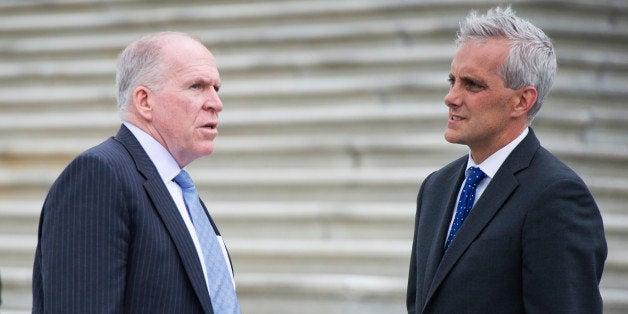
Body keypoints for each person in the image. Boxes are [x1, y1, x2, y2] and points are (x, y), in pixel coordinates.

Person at [406, 7, 607, 314]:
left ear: (522, 100)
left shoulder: (557, 197)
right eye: (452, 81)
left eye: (472, 84)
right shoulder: (436, 186)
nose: (451, 97)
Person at [32, 32, 241, 313]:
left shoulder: (178, 187)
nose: (216, 103)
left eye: (216, 88)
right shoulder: (99, 176)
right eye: (196, 86)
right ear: (144, 101)